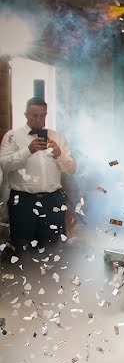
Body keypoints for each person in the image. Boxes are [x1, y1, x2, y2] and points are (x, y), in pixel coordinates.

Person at [0, 97, 76, 253]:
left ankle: (51, 277)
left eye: (42, 115)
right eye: (34, 115)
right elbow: (4, 165)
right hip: (22, 202)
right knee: (22, 247)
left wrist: (59, 154)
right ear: (26, 114)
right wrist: (28, 150)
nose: (39, 119)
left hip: (53, 201)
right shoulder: (12, 136)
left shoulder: (58, 137)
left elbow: (72, 169)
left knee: (53, 248)